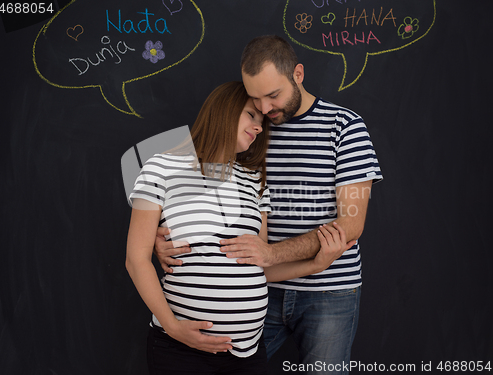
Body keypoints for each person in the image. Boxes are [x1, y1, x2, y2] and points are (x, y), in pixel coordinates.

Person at [154, 36, 383, 374]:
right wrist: (162, 231)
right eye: (255, 99)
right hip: (256, 287)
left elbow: (350, 225)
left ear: (298, 74)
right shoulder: (252, 126)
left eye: (273, 95)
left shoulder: (345, 127)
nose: (263, 109)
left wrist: (272, 254)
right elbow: (188, 167)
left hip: (328, 290)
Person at [126, 80, 354, 375]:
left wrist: (315, 264)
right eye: (251, 115)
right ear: (224, 110)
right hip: (180, 348)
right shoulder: (160, 167)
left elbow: (260, 266)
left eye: (262, 123)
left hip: (247, 355)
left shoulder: (254, 181)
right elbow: (136, 258)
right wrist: (173, 327)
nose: (259, 128)